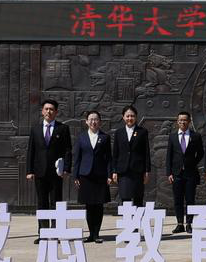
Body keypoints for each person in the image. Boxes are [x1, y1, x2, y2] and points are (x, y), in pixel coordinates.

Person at [26, 99, 72, 244]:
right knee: (42, 203)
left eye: (51, 109)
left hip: (56, 173)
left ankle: (55, 233)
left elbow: (68, 150)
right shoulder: (35, 129)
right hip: (40, 172)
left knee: (56, 203)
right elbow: (31, 151)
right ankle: (43, 233)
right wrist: (29, 170)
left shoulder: (62, 128)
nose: (48, 111)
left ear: (56, 112)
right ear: (42, 111)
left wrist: (66, 169)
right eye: (46, 109)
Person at [73, 110, 112, 243]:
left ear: (100, 122)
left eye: (96, 119)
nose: (93, 122)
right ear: (86, 122)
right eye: (91, 119)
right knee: (89, 206)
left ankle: (97, 234)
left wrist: (109, 175)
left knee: (99, 205)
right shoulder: (81, 137)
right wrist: (75, 176)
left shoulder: (105, 137)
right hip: (85, 175)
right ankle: (90, 234)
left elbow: (108, 158)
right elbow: (77, 158)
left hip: (100, 176)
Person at [166, 111, 204, 234]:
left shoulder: (196, 136)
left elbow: (201, 153)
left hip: (190, 173)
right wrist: (169, 173)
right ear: (177, 122)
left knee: (190, 199)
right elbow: (169, 156)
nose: (182, 122)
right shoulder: (172, 136)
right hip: (176, 173)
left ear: (189, 121)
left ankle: (189, 224)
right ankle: (179, 224)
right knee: (177, 199)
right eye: (180, 120)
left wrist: (193, 162)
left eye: (185, 120)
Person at [112, 105, 151, 208]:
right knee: (125, 198)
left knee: (138, 197)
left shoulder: (142, 132)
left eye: (132, 116)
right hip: (123, 170)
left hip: (138, 170)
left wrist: (147, 171)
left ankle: (138, 222)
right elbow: (115, 153)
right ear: (123, 117)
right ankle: (128, 222)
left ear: (136, 117)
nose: (130, 118)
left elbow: (146, 152)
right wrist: (114, 170)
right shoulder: (118, 133)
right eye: (127, 116)